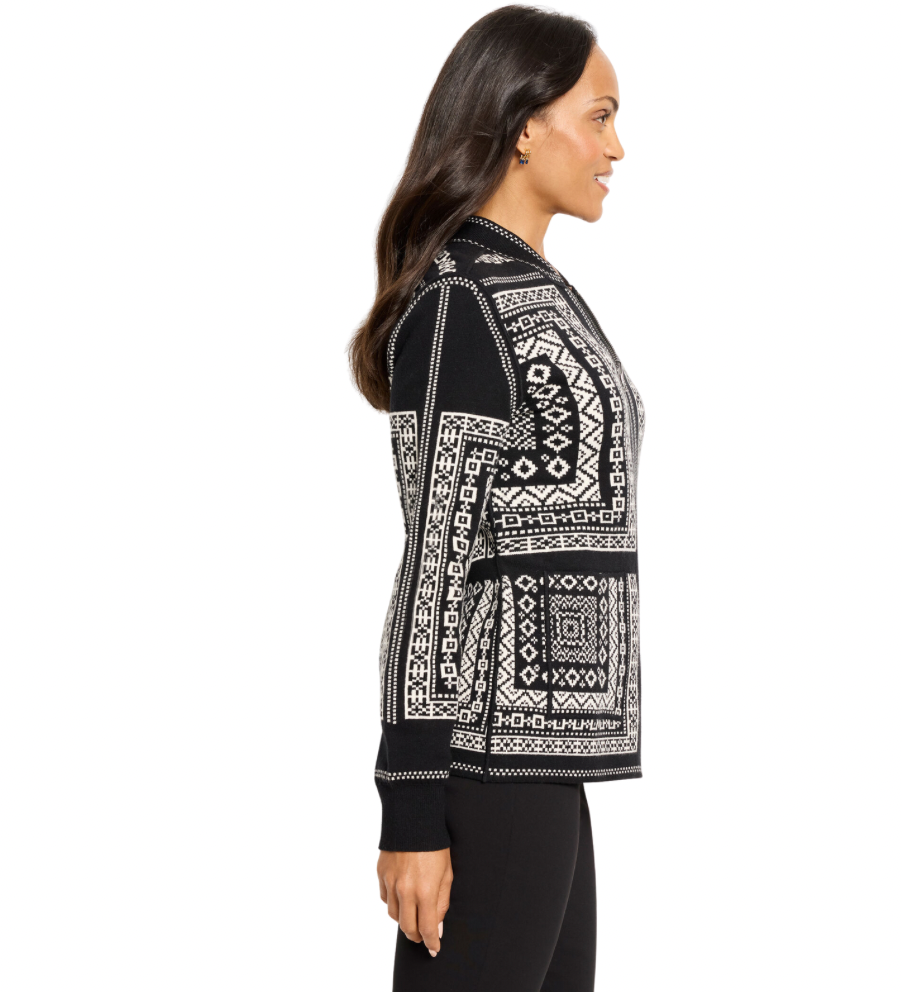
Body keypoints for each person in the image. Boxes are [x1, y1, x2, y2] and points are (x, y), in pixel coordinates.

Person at [348, 6, 645, 989]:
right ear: (524, 127)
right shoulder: (457, 303)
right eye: (599, 117)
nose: (616, 147)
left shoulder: (536, 289)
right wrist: (411, 806)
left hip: (546, 767)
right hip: (481, 763)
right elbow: (434, 564)